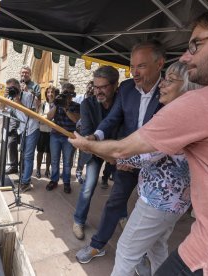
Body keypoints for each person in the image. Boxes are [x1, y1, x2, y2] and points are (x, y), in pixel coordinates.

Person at [70, 2, 208, 275]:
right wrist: (98, 135)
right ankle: (108, 247)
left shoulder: (199, 103)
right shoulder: (131, 90)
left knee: (128, 250)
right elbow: (114, 122)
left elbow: (127, 150)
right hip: (185, 214)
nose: (188, 57)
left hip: (193, 228)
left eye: (196, 45)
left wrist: (88, 145)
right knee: (154, 242)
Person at [74, 40, 165, 264]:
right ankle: (97, 245)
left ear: (160, 64)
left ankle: (142, 257)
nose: (134, 72)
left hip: (158, 163)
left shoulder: (170, 90)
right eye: (132, 66)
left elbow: (165, 136)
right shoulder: (126, 88)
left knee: (150, 213)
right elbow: (113, 118)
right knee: (115, 202)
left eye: (141, 66)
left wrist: (134, 158)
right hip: (128, 157)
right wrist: (96, 136)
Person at [111, 61, 202, 276]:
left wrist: (115, 154)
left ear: (188, 86)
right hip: (174, 203)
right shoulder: (191, 116)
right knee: (157, 246)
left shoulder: (178, 117)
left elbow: (147, 152)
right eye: (164, 78)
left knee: (126, 251)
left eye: (170, 80)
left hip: (159, 201)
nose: (161, 84)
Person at [72, 66, 119, 240]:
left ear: (115, 85)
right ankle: (78, 220)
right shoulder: (87, 104)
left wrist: (114, 153)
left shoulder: (121, 101)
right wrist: (104, 151)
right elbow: (87, 136)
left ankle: (121, 216)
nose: (97, 91)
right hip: (94, 150)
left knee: (120, 188)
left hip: (117, 148)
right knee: (88, 186)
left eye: (103, 87)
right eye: (95, 86)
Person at [46, 82, 80, 194]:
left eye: (68, 93)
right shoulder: (56, 103)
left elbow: (75, 120)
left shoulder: (76, 106)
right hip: (55, 135)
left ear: (72, 94)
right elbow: (49, 118)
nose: (66, 95)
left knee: (67, 162)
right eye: (64, 92)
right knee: (54, 160)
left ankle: (66, 182)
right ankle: (54, 180)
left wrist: (66, 107)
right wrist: (56, 104)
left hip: (68, 137)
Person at [15, 65, 41, 192]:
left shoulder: (35, 86)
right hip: (22, 126)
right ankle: (22, 176)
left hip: (32, 127)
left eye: (26, 73)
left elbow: (37, 105)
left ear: (30, 74)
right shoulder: (17, 85)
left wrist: (27, 91)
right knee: (23, 154)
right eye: (22, 72)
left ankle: (26, 181)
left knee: (29, 155)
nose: (24, 75)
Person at [35, 86, 58, 179]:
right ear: (46, 94)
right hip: (42, 131)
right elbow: (39, 118)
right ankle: (38, 169)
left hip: (52, 133)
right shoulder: (43, 105)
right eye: (48, 92)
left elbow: (56, 119)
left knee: (49, 153)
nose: (50, 94)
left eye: (52, 92)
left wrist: (46, 118)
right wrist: (48, 119)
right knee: (40, 152)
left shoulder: (57, 105)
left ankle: (47, 169)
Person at [0, 78, 21, 175]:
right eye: (8, 88)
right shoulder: (8, 97)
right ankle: (13, 166)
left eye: (12, 88)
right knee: (11, 144)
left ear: (18, 87)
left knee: (24, 149)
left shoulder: (24, 95)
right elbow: (1, 108)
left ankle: (23, 167)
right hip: (12, 125)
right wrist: (4, 96)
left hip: (24, 125)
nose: (11, 90)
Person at [75, 81, 95, 185]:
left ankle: (84, 174)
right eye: (89, 86)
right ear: (86, 87)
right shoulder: (78, 98)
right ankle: (78, 171)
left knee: (87, 153)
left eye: (93, 87)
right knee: (79, 153)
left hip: (90, 131)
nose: (91, 89)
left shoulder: (95, 101)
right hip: (78, 130)